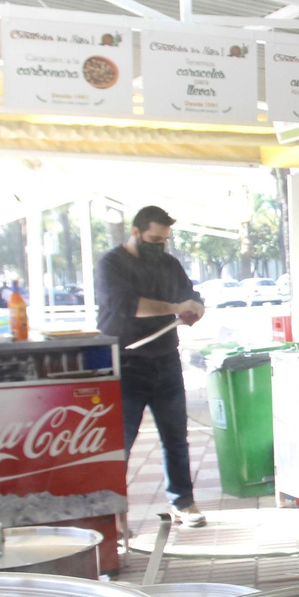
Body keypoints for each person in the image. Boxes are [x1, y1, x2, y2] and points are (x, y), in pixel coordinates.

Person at [96, 205, 207, 527]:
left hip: (166, 359)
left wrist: (194, 308)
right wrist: (174, 307)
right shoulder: (112, 263)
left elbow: (190, 294)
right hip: (126, 361)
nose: (159, 246)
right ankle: (113, 513)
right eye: (153, 239)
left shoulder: (168, 263)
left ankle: (183, 503)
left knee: (176, 437)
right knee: (122, 442)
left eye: (164, 241)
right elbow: (127, 305)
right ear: (136, 232)